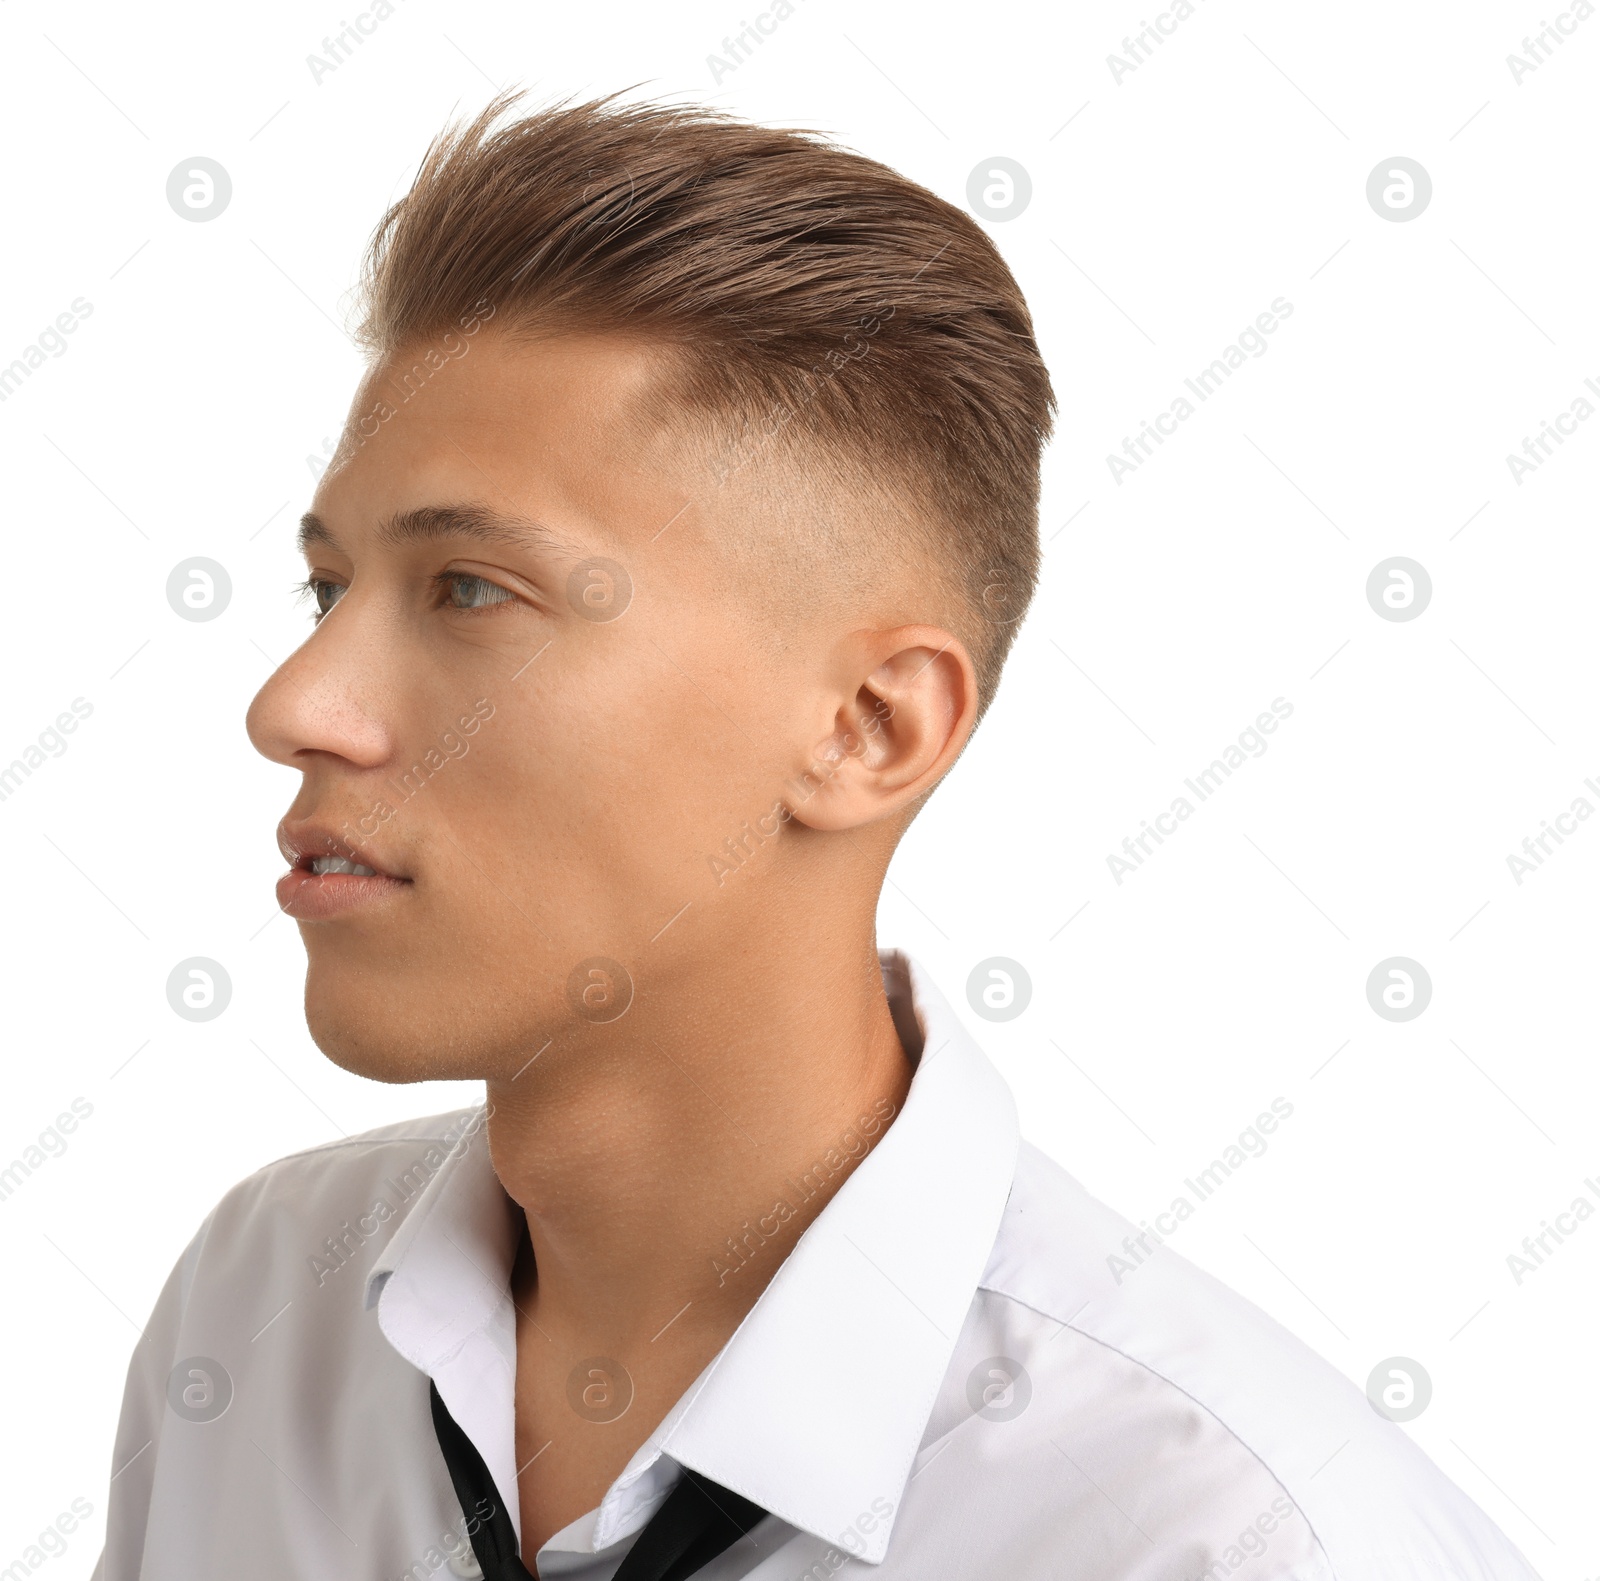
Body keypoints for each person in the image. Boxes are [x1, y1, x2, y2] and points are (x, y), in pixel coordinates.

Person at [92, 91, 1541, 1581]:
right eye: (325, 589)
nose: (296, 703)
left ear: (868, 728)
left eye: (470, 589)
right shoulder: (261, 1313)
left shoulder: (1231, 1536)